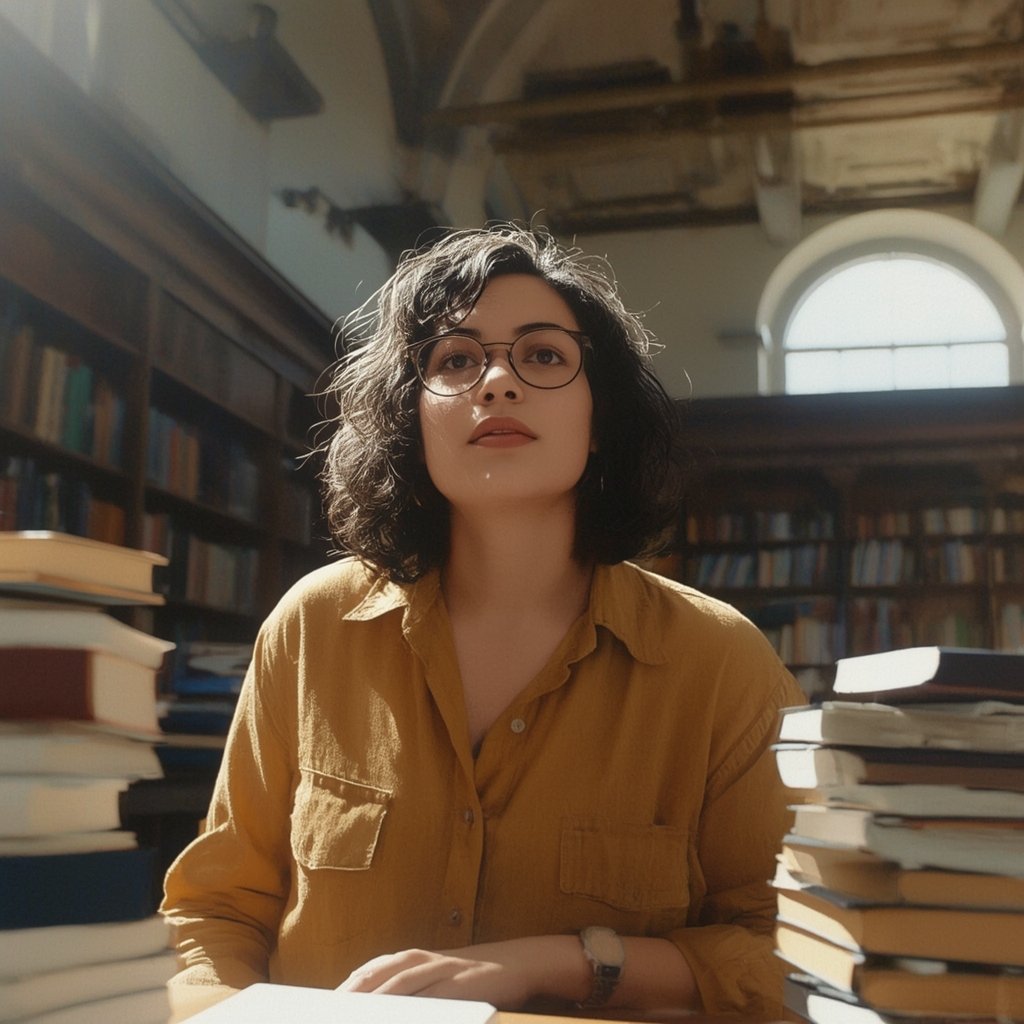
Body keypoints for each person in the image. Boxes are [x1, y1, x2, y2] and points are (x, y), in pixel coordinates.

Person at [161, 224, 805, 1019]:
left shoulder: (719, 661)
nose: (496, 381)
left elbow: (792, 953)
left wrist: (561, 965)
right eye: (455, 360)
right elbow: (214, 912)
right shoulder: (312, 627)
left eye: (541, 356)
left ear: (599, 418)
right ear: (412, 418)